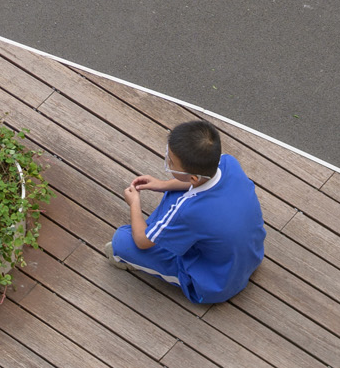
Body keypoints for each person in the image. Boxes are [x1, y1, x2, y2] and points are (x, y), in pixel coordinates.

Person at [111, 117, 265, 305]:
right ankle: (162, 228)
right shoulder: (228, 164)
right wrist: (162, 185)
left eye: (171, 162)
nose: (168, 161)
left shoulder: (189, 211)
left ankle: (145, 254)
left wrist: (134, 203)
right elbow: (196, 183)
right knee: (172, 194)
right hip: (248, 257)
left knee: (121, 242)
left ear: (192, 176)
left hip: (212, 285)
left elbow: (142, 242)